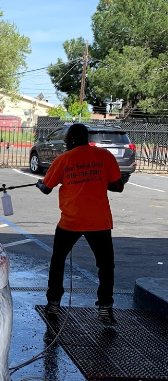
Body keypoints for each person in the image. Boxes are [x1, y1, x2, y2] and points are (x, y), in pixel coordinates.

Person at [36, 123, 124, 325]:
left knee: (58, 261)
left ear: (73, 139)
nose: (65, 142)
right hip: (99, 221)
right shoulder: (105, 157)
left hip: (70, 222)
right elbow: (118, 187)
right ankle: (105, 307)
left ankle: (54, 303)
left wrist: (39, 183)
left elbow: (47, 188)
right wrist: (99, 180)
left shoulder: (64, 159)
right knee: (105, 266)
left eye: (67, 138)